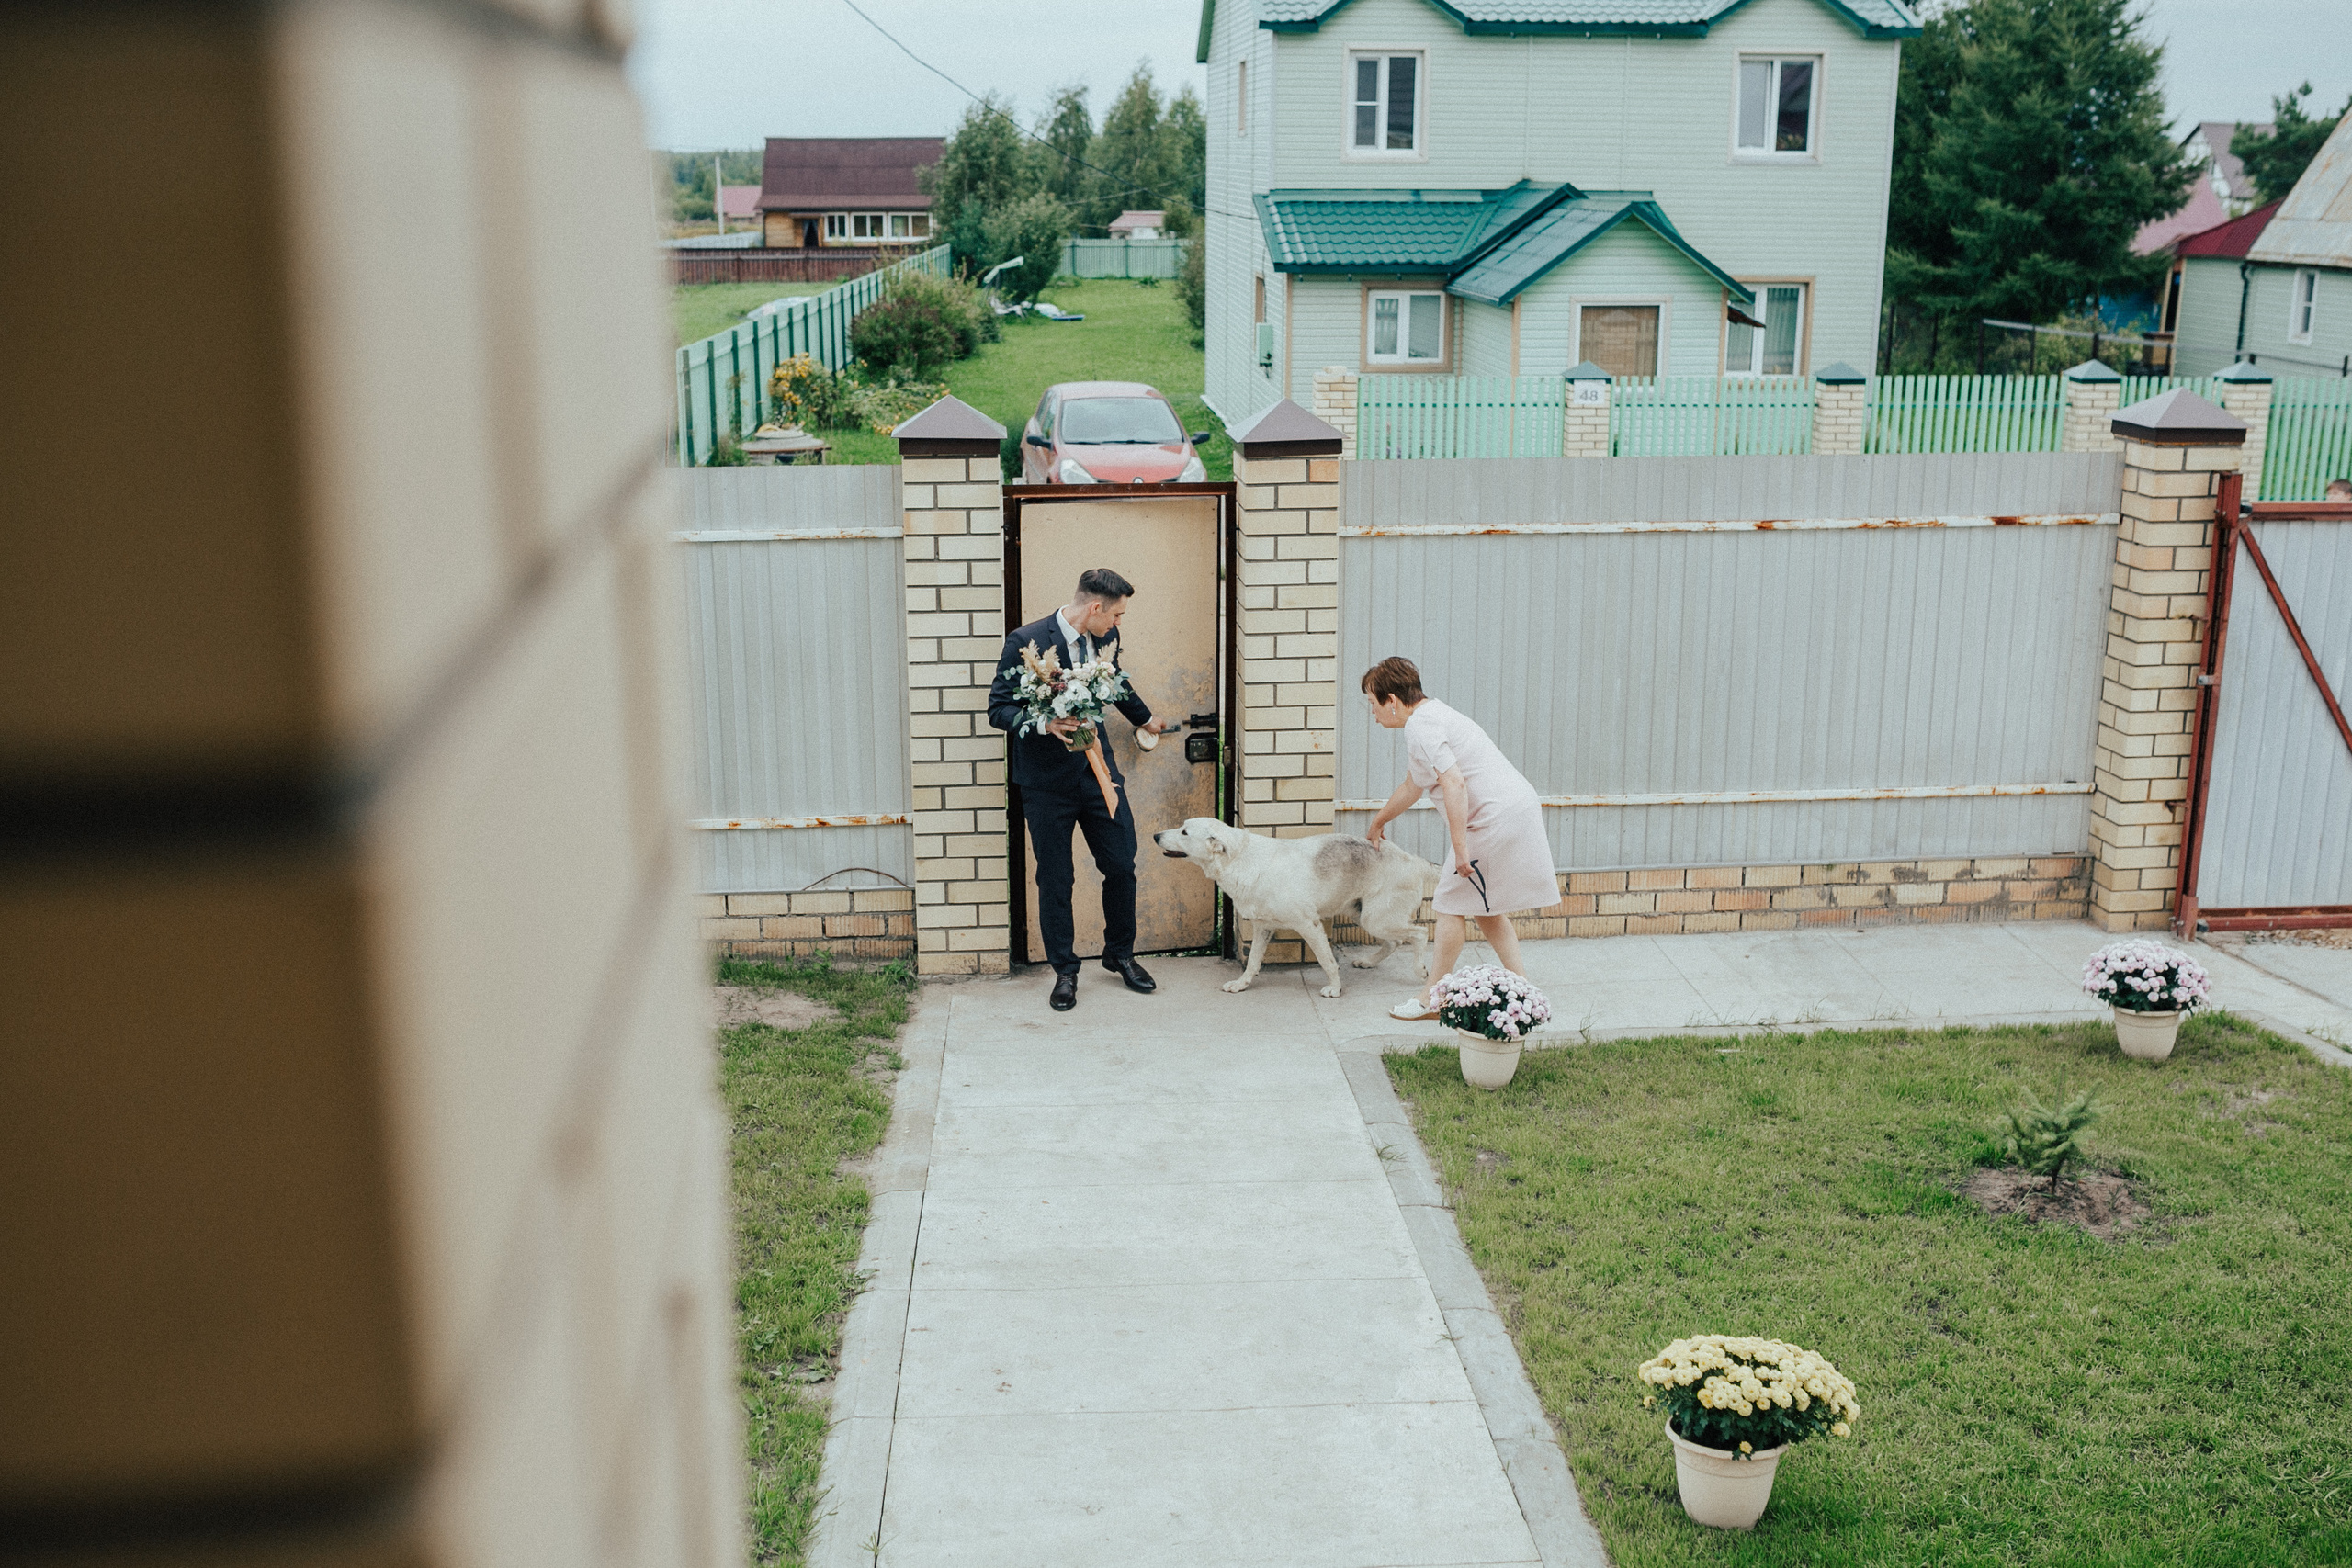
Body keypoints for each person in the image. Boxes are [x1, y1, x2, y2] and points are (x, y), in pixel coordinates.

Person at [989, 568, 1177, 1011]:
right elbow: (998, 708)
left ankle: (1120, 954)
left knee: (1121, 865)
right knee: (1057, 879)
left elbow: (1117, 683)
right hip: (1045, 786)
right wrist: (1044, 723)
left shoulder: (1104, 641)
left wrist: (1145, 719)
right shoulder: (1026, 641)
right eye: (1115, 614)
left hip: (1099, 776)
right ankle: (1065, 972)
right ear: (1095, 608)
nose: (1118, 623)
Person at [1359, 657, 1556, 1021]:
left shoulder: (1421, 725)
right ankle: (1524, 993)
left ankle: (1432, 999)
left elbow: (1454, 782)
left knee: (1449, 905)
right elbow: (1412, 785)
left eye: (1372, 704)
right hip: (1513, 808)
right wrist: (1378, 822)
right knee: (1486, 909)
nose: (1372, 714)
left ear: (1391, 700)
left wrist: (1461, 848)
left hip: (1493, 818)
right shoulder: (1431, 718)